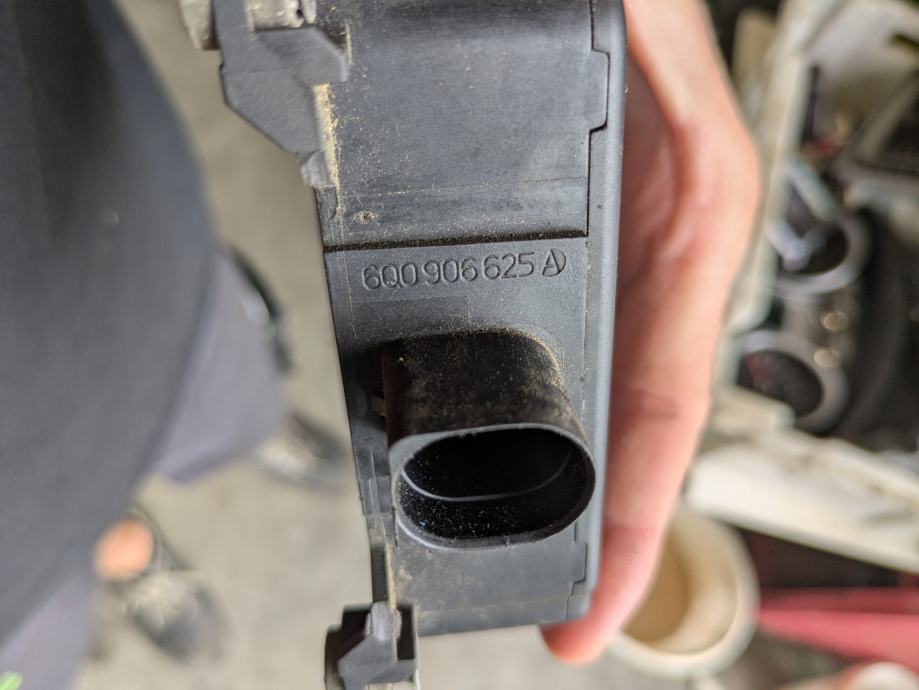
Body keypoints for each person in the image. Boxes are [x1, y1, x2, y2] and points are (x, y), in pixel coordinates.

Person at [0, 0, 760, 687]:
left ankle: (200, 477)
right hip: (19, 599)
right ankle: (131, 542)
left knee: (226, 390)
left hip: (113, 250)